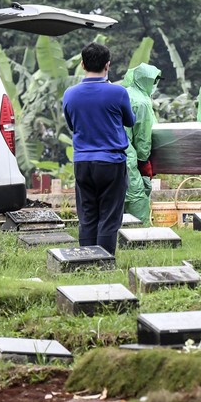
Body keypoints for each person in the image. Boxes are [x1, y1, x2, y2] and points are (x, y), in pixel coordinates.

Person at [63, 42, 135, 255]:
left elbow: (72, 124)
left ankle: (86, 261)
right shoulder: (118, 92)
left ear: (83, 64)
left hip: (82, 161)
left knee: (87, 215)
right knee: (109, 215)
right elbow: (130, 121)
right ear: (108, 65)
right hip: (111, 162)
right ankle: (104, 261)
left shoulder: (70, 94)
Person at [122, 63, 162, 224]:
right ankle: (142, 237)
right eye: (154, 81)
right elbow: (143, 137)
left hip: (112, 154)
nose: (155, 86)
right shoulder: (142, 103)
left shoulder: (126, 93)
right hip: (128, 156)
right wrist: (143, 161)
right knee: (137, 197)